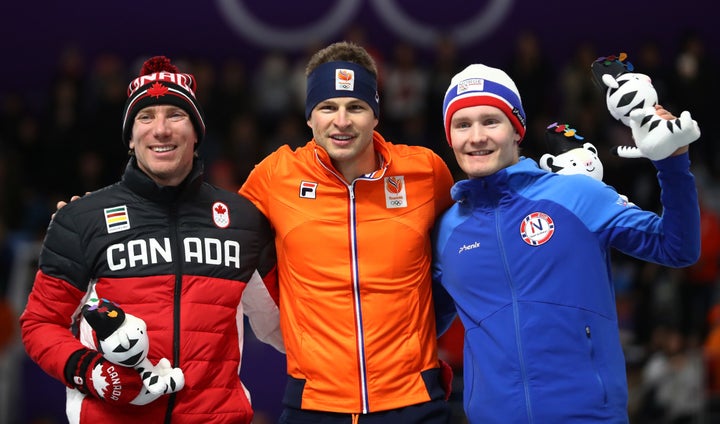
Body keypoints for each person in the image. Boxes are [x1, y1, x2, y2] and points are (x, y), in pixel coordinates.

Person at [19, 56, 283, 423]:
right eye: (145, 118)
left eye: (175, 115)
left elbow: (285, 326)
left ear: (196, 133)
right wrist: (89, 370)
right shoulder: (81, 220)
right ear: (130, 137)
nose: (161, 130)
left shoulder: (242, 221)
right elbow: (39, 324)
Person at [432, 63, 701, 423]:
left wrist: (672, 161)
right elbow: (423, 325)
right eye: (462, 125)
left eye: (490, 121)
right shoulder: (448, 229)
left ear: (516, 130)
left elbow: (677, 247)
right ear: (450, 137)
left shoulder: (576, 194)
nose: (476, 136)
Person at [238, 41, 457, 423]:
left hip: (414, 400)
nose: (342, 121)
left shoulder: (425, 172)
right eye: (328, 107)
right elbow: (213, 227)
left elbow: (467, 243)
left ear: (375, 114)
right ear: (309, 117)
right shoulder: (276, 176)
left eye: (356, 107)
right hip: (313, 403)